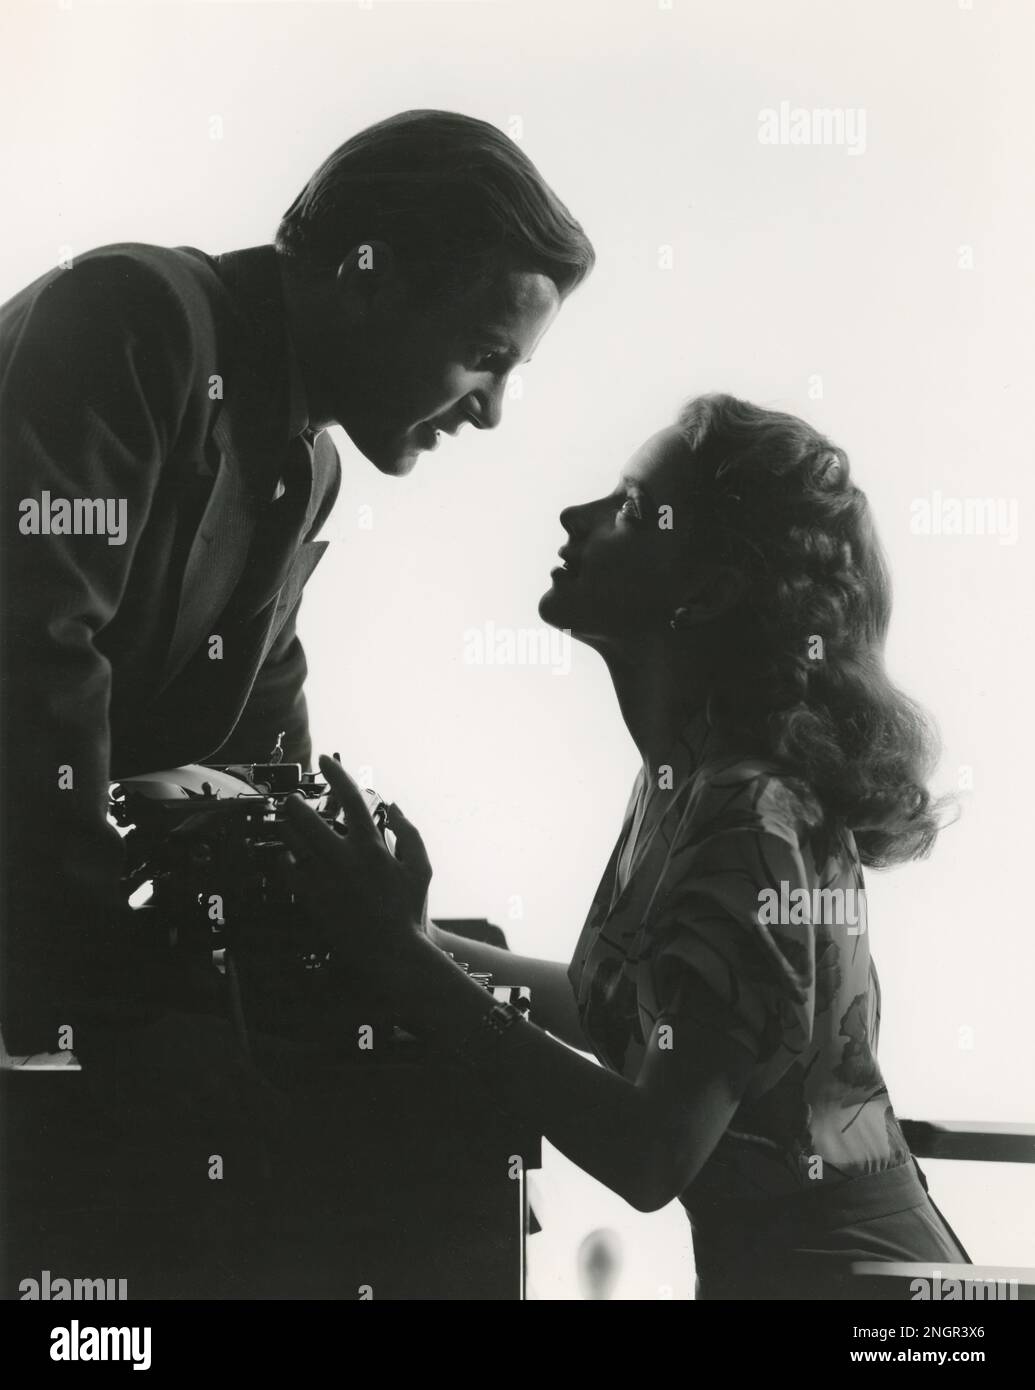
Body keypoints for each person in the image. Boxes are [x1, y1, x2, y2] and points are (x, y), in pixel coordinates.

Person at [0, 109, 592, 1295]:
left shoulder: (303, 461)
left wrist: (343, 898)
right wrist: (123, 973)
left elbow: (261, 737)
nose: (489, 409)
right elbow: (32, 660)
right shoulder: (136, 321)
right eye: (485, 352)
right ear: (365, 279)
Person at [284, 393, 971, 1300]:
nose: (577, 517)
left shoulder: (745, 814)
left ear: (708, 592)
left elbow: (652, 1158)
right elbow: (628, 1009)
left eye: (631, 508)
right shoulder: (689, 784)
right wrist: (403, 933)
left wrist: (411, 965)